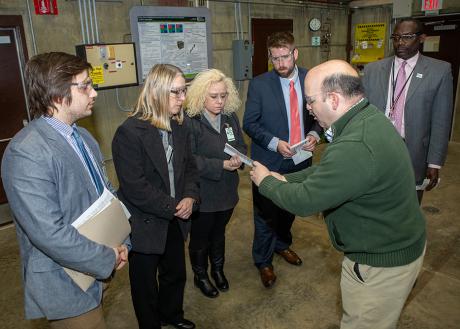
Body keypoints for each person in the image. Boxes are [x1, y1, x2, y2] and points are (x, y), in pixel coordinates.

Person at [250, 60, 426, 329]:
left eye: (310, 101)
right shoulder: (367, 118)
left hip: (379, 265)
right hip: (395, 245)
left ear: (333, 99)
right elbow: (332, 172)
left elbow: (306, 200)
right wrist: (286, 178)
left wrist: (266, 182)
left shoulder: (355, 143)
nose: (307, 108)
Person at [1, 52, 128, 329]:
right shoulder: (26, 152)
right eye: (85, 86)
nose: (94, 93)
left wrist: (121, 241)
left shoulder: (83, 136)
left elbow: (105, 195)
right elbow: (49, 233)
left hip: (97, 264)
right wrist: (106, 256)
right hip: (65, 279)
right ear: (57, 94)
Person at [112, 64, 199, 329]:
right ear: (156, 93)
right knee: (145, 285)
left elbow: (190, 168)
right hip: (144, 221)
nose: (183, 98)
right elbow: (134, 187)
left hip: (174, 215)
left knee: (175, 274)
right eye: (176, 92)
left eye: (184, 91)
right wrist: (174, 205)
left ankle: (171, 315)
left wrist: (190, 197)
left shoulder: (181, 126)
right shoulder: (129, 133)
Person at [242, 31, 322, 288]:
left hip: (301, 158)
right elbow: (249, 123)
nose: (281, 64)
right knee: (266, 214)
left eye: (285, 57)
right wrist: (276, 144)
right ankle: (263, 261)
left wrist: (314, 133)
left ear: (295, 53)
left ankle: (282, 245)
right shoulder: (260, 84)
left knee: (290, 208)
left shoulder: (311, 79)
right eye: (275, 59)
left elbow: (320, 116)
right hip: (269, 160)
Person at [362, 18, 453, 203]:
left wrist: (434, 162)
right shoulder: (373, 69)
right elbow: (361, 111)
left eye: (407, 37)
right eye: (395, 37)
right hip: (376, 149)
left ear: (422, 38)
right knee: (375, 201)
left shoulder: (439, 71)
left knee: (408, 205)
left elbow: (441, 120)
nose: (400, 43)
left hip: (414, 152)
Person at [184, 69, 247, 298]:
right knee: (200, 238)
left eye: (223, 95)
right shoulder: (190, 121)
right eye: (214, 96)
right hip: (202, 192)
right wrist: (220, 165)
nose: (220, 101)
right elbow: (188, 160)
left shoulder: (230, 117)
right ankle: (201, 276)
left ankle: (218, 270)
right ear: (201, 96)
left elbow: (241, 144)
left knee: (219, 233)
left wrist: (239, 157)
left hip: (227, 191)